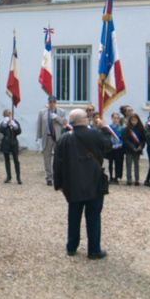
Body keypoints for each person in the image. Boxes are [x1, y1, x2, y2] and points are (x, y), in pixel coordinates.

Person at [54, 108, 111, 259]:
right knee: (93, 217)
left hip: (73, 184)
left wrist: (58, 182)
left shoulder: (64, 138)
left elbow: (57, 162)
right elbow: (109, 145)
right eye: (88, 117)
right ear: (83, 120)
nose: (90, 119)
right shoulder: (95, 134)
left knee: (73, 216)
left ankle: (71, 247)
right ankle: (93, 250)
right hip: (93, 182)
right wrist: (105, 128)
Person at [36, 97, 67, 186]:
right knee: (47, 159)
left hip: (57, 138)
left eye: (54, 102)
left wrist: (57, 118)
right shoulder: (42, 112)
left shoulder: (61, 111)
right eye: (50, 102)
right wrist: (38, 138)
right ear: (48, 103)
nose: (52, 104)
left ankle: (57, 177)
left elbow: (64, 123)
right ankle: (49, 177)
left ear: (56, 102)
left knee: (58, 158)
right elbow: (39, 125)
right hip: (47, 137)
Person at [0, 109, 22, 184]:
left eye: (9, 115)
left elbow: (19, 131)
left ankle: (18, 177)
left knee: (16, 160)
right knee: (7, 160)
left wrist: (15, 126)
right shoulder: (4, 124)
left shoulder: (15, 122)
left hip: (14, 143)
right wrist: (4, 124)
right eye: (7, 116)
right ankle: (8, 176)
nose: (8, 117)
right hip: (6, 143)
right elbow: (0, 130)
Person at [122, 112, 145, 186]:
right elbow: (125, 139)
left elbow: (143, 139)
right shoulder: (126, 129)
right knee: (128, 163)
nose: (134, 122)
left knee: (136, 164)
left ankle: (137, 179)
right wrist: (132, 147)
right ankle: (129, 179)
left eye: (135, 120)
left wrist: (141, 146)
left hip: (138, 149)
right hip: (129, 149)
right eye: (132, 120)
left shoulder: (141, 129)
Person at [106, 112, 125, 184]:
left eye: (117, 118)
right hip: (111, 147)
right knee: (110, 162)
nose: (115, 119)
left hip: (118, 148)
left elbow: (123, 138)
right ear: (112, 118)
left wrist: (121, 144)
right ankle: (111, 176)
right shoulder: (108, 127)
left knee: (117, 163)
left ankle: (116, 177)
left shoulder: (121, 128)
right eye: (114, 118)